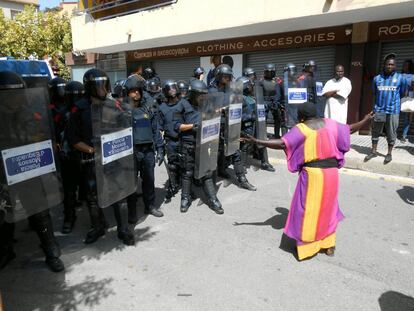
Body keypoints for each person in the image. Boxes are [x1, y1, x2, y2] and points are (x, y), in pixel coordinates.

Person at [243, 102, 373, 260]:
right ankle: (328, 245)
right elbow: (351, 128)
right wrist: (365, 120)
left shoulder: (302, 129)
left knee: (307, 211)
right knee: (328, 208)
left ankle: (307, 248)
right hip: (332, 174)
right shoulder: (331, 124)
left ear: (301, 117)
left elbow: (282, 143)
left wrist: (257, 141)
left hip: (313, 175)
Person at [0, 71, 64, 272]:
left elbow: (44, 136)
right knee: (4, 216)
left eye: (20, 94)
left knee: (40, 212)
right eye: (13, 94)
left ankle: (51, 250)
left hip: (29, 172)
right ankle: (6, 250)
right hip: (3, 176)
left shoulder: (31, 113)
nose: (18, 98)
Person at [67, 68, 135, 245]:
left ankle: (123, 229)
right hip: (91, 160)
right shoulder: (79, 109)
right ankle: (97, 227)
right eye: (99, 86)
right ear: (90, 87)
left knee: (118, 193)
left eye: (105, 85)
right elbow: (73, 139)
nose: (103, 89)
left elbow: (124, 129)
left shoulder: (114, 105)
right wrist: (93, 151)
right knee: (93, 197)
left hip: (113, 158)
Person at [175, 79, 224, 214]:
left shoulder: (206, 104)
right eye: (199, 95)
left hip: (203, 143)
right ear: (192, 94)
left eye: (203, 95)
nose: (201, 97)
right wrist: (192, 126)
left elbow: (211, 118)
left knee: (206, 172)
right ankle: (185, 198)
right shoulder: (182, 104)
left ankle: (213, 200)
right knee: (187, 172)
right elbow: (176, 126)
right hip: (188, 144)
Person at [209, 64, 256, 191]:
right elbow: (206, 110)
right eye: (225, 76)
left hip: (231, 124)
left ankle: (242, 179)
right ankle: (213, 179)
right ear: (218, 76)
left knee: (235, 152)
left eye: (229, 77)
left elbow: (242, 103)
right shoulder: (211, 91)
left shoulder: (231, 89)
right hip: (216, 126)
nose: (227, 79)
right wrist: (222, 110)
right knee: (216, 153)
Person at [122, 76, 164, 218]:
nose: (136, 93)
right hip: (132, 152)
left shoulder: (148, 108)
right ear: (127, 93)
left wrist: (160, 148)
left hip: (148, 151)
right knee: (131, 183)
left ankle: (150, 206)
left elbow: (155, 129)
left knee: (149, 180)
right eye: (133, 91)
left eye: (138, 91)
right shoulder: (122, 111)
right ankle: (132, 211)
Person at [364, 53, 408, 164]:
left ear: (395, 66)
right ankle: (373, 151)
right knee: (375, 131)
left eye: (392, 64)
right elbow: (374, 93)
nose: (390, 66)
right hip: (379, 110)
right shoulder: (377, 79)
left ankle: (389, 153)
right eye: (388, 64)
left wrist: (394, 101)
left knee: (391, 132)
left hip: (393, 111)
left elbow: (403, 93)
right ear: (384, 65)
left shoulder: (400, 78)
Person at [158, 80, 189, 200]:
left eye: (174, 88)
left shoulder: (184, 104)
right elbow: (159, 127)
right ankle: (173, 185)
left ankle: (186, 188)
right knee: (172, 165)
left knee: (185, 164)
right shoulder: (162, 108)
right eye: (170, 89)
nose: (172, 91)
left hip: (184, 139)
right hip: (170, 141)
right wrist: (160, 146)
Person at [237, 76, 275, 172]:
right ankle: (242, 166)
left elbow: (262, 107)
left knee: (261, 142)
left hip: (258, 124)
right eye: (249, 85)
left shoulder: (252, 97)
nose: (251, 87)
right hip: (247, 126)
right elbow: (239, 116)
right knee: (245, 146)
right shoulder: (239, 99)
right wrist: (252, 115)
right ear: (244, 87)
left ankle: (264, 162)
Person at [259, 64, 283, 138]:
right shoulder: (261, 81)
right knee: (264, 119)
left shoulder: (277, 80)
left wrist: (279, 101)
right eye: (268, 72)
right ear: (265, 72)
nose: (270, 74)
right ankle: (263, 135)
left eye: (271, 72)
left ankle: (276, 135)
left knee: (278, 118)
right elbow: (258, 92)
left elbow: (280, 92)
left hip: (274, 101)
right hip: (265, 101)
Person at [400, 59, 414, 143]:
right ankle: (391, 133)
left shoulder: (413, 76)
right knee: (395, 116)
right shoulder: (400, 75)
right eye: (404, 65)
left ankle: (404, 135)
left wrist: (406, 87)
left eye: (407, 65)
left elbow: (412, 88)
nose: (405, 67)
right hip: (399, 98)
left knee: (407, 118)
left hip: (409, 98)